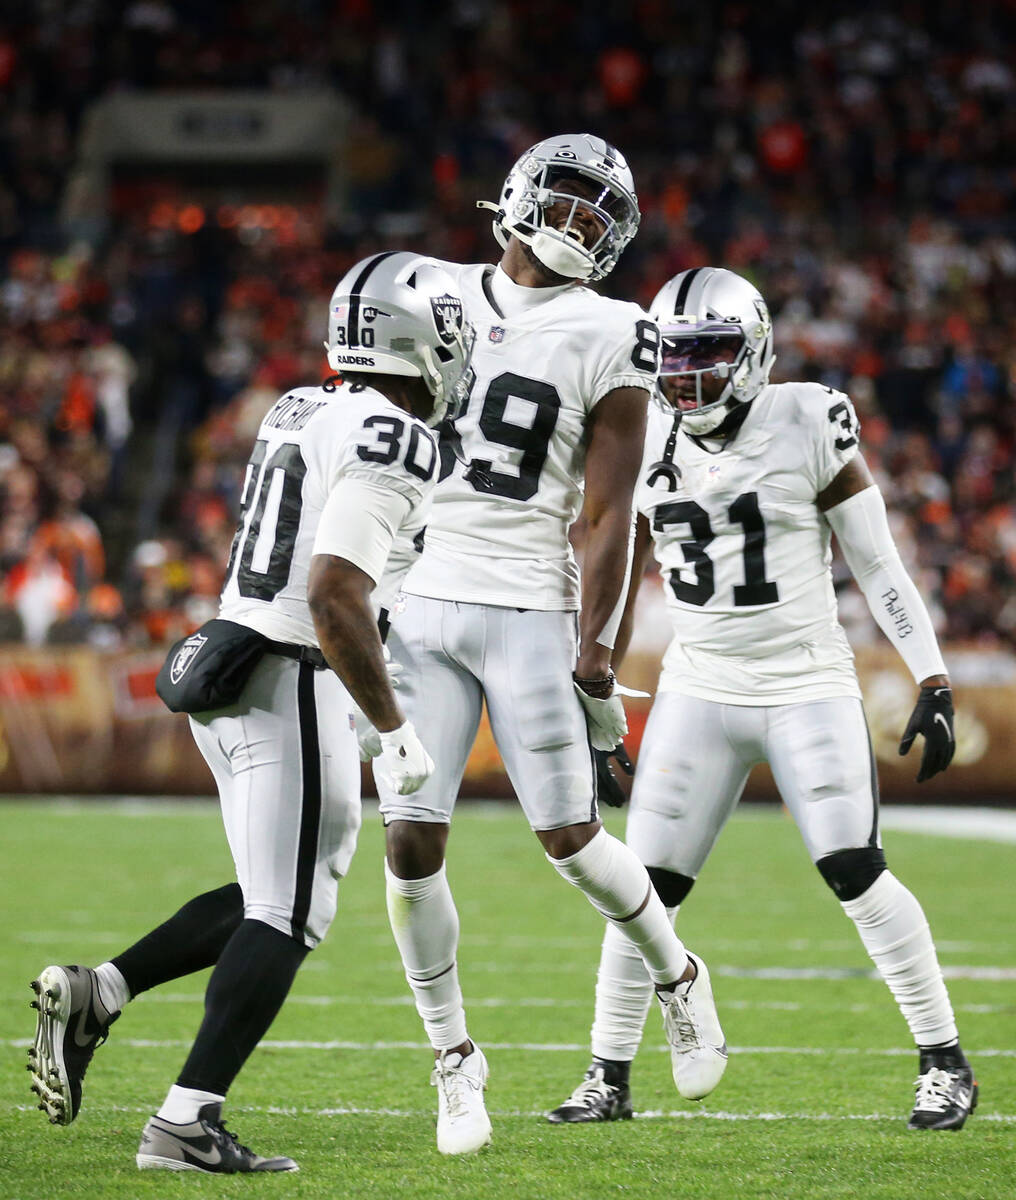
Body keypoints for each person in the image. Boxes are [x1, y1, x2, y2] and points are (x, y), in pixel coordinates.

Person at [27, 251, 475, 1172]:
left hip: (230, 669)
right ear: (416, 337)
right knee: (291, 910)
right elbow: (336, 594)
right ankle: (186, 1121)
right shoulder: (394, 431)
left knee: (279, 891)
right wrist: (392, 728)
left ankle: (99, 992)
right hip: (291, 676)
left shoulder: (300, 403)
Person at [545, 266, 976, 1132]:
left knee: (854, 868)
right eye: (672, 354)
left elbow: (877, 559)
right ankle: (607, 1073)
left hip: (804, 678)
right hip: (698, 685)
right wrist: (595, 688)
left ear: (753, 351)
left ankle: (944, 1059)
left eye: (709, 351)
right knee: (642, 888)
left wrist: (931, 675)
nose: (687, 373)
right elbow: (615, 571)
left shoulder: (808, 416)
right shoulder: (640, 429)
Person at [364, 135, 726, 1156]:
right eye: (563, 203)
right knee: (407, 838)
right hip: (424, 598)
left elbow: (611, 514)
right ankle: (453, 1060)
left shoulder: (616, 329)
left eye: (594, 215)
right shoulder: (427, 291)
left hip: (527, 600)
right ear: (519, 195)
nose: (574, 227)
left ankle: (675, 971)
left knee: (568, 842)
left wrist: (595, 657)